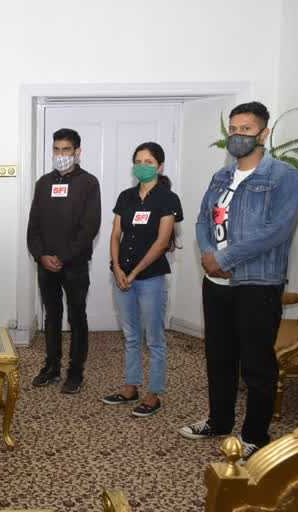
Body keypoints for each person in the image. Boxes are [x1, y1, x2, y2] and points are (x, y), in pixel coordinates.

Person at [180, 101, 298, 462]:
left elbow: (277, 230)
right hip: (215, 283)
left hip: (257, 283)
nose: (237, 136)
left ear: (263, 134)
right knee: (218, 357)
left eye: (245, 129)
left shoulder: (282, 176)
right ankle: (219, 421)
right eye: (233, 129)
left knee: (256, 364)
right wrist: (208, 255)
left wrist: (225, 258)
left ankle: (255, 436)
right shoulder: (221, 176)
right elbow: (204, 219)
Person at [102, 142, 182, 417]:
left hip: (150, 277)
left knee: (155, 338)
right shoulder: (126, 196)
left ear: (159, 166)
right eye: (138, 161)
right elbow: (115, 235)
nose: (142, 166)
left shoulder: (168, 199)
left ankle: (153, 393)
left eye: (149, 162)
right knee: (131, 336)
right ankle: (130, 387)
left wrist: (134, 273)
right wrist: (116, 267)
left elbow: (161, 242)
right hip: (121, 274)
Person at [26, 128, 101, 393]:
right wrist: (41, 255)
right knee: (52, 315)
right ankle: (51, 366)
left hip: (75, 264)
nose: (61, 154)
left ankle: (75, 371)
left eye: (66, 149)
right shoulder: (44, 183)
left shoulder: (89, 183)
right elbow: (33, 225)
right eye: (56, 149)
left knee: (77, 316)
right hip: (46, 264)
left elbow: (90, 227)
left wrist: (64, 257)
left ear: (77, 152)